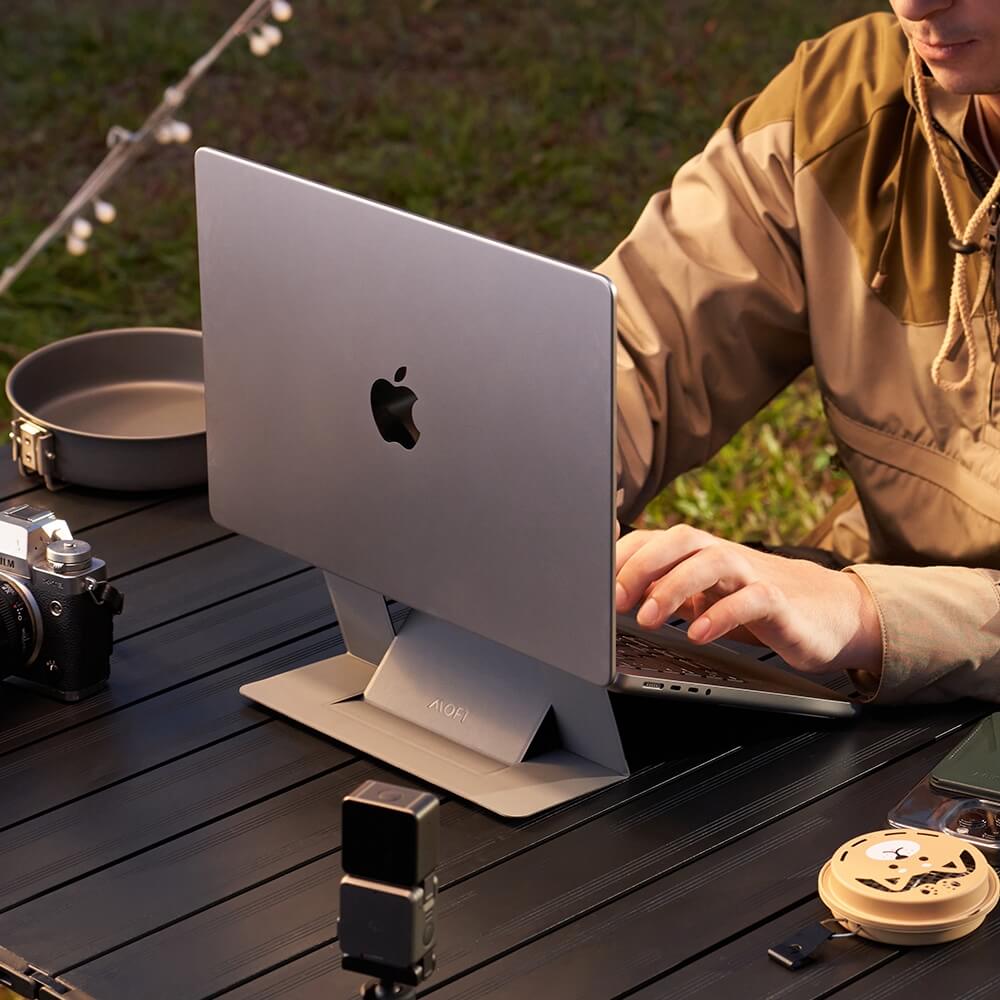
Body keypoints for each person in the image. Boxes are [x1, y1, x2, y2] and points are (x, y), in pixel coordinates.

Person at [604, 0, 1000, 704]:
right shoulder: (845, 99)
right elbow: (636, 345)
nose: (912, 4)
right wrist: (542, 479)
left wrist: (865, 614)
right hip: (873, 653)